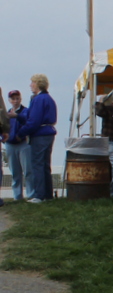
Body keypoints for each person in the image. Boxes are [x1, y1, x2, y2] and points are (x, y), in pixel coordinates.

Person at [16, 74, 57, 204]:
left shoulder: (38, 99)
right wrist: (17, 116)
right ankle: (48, 194)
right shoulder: (48, 98)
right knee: (45, 165)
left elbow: (33, 121)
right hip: (49, 133)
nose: (30, 85)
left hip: (40, 135)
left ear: (38, 84)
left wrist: (20, 133)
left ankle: (39, 195)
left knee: (37, 164)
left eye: (32, 82)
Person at [6, 89, 34, 201]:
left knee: (28, 170)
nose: (15, 101)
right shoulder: (7, 113)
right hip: (10, 144)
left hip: (23, 143)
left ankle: (31, 194)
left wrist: (16, 116)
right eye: (13, 99)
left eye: (17, 98)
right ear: (9, 100)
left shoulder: (25, 111)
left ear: (20, 99)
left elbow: (28, 124)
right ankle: (17, 196)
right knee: (15, 171)